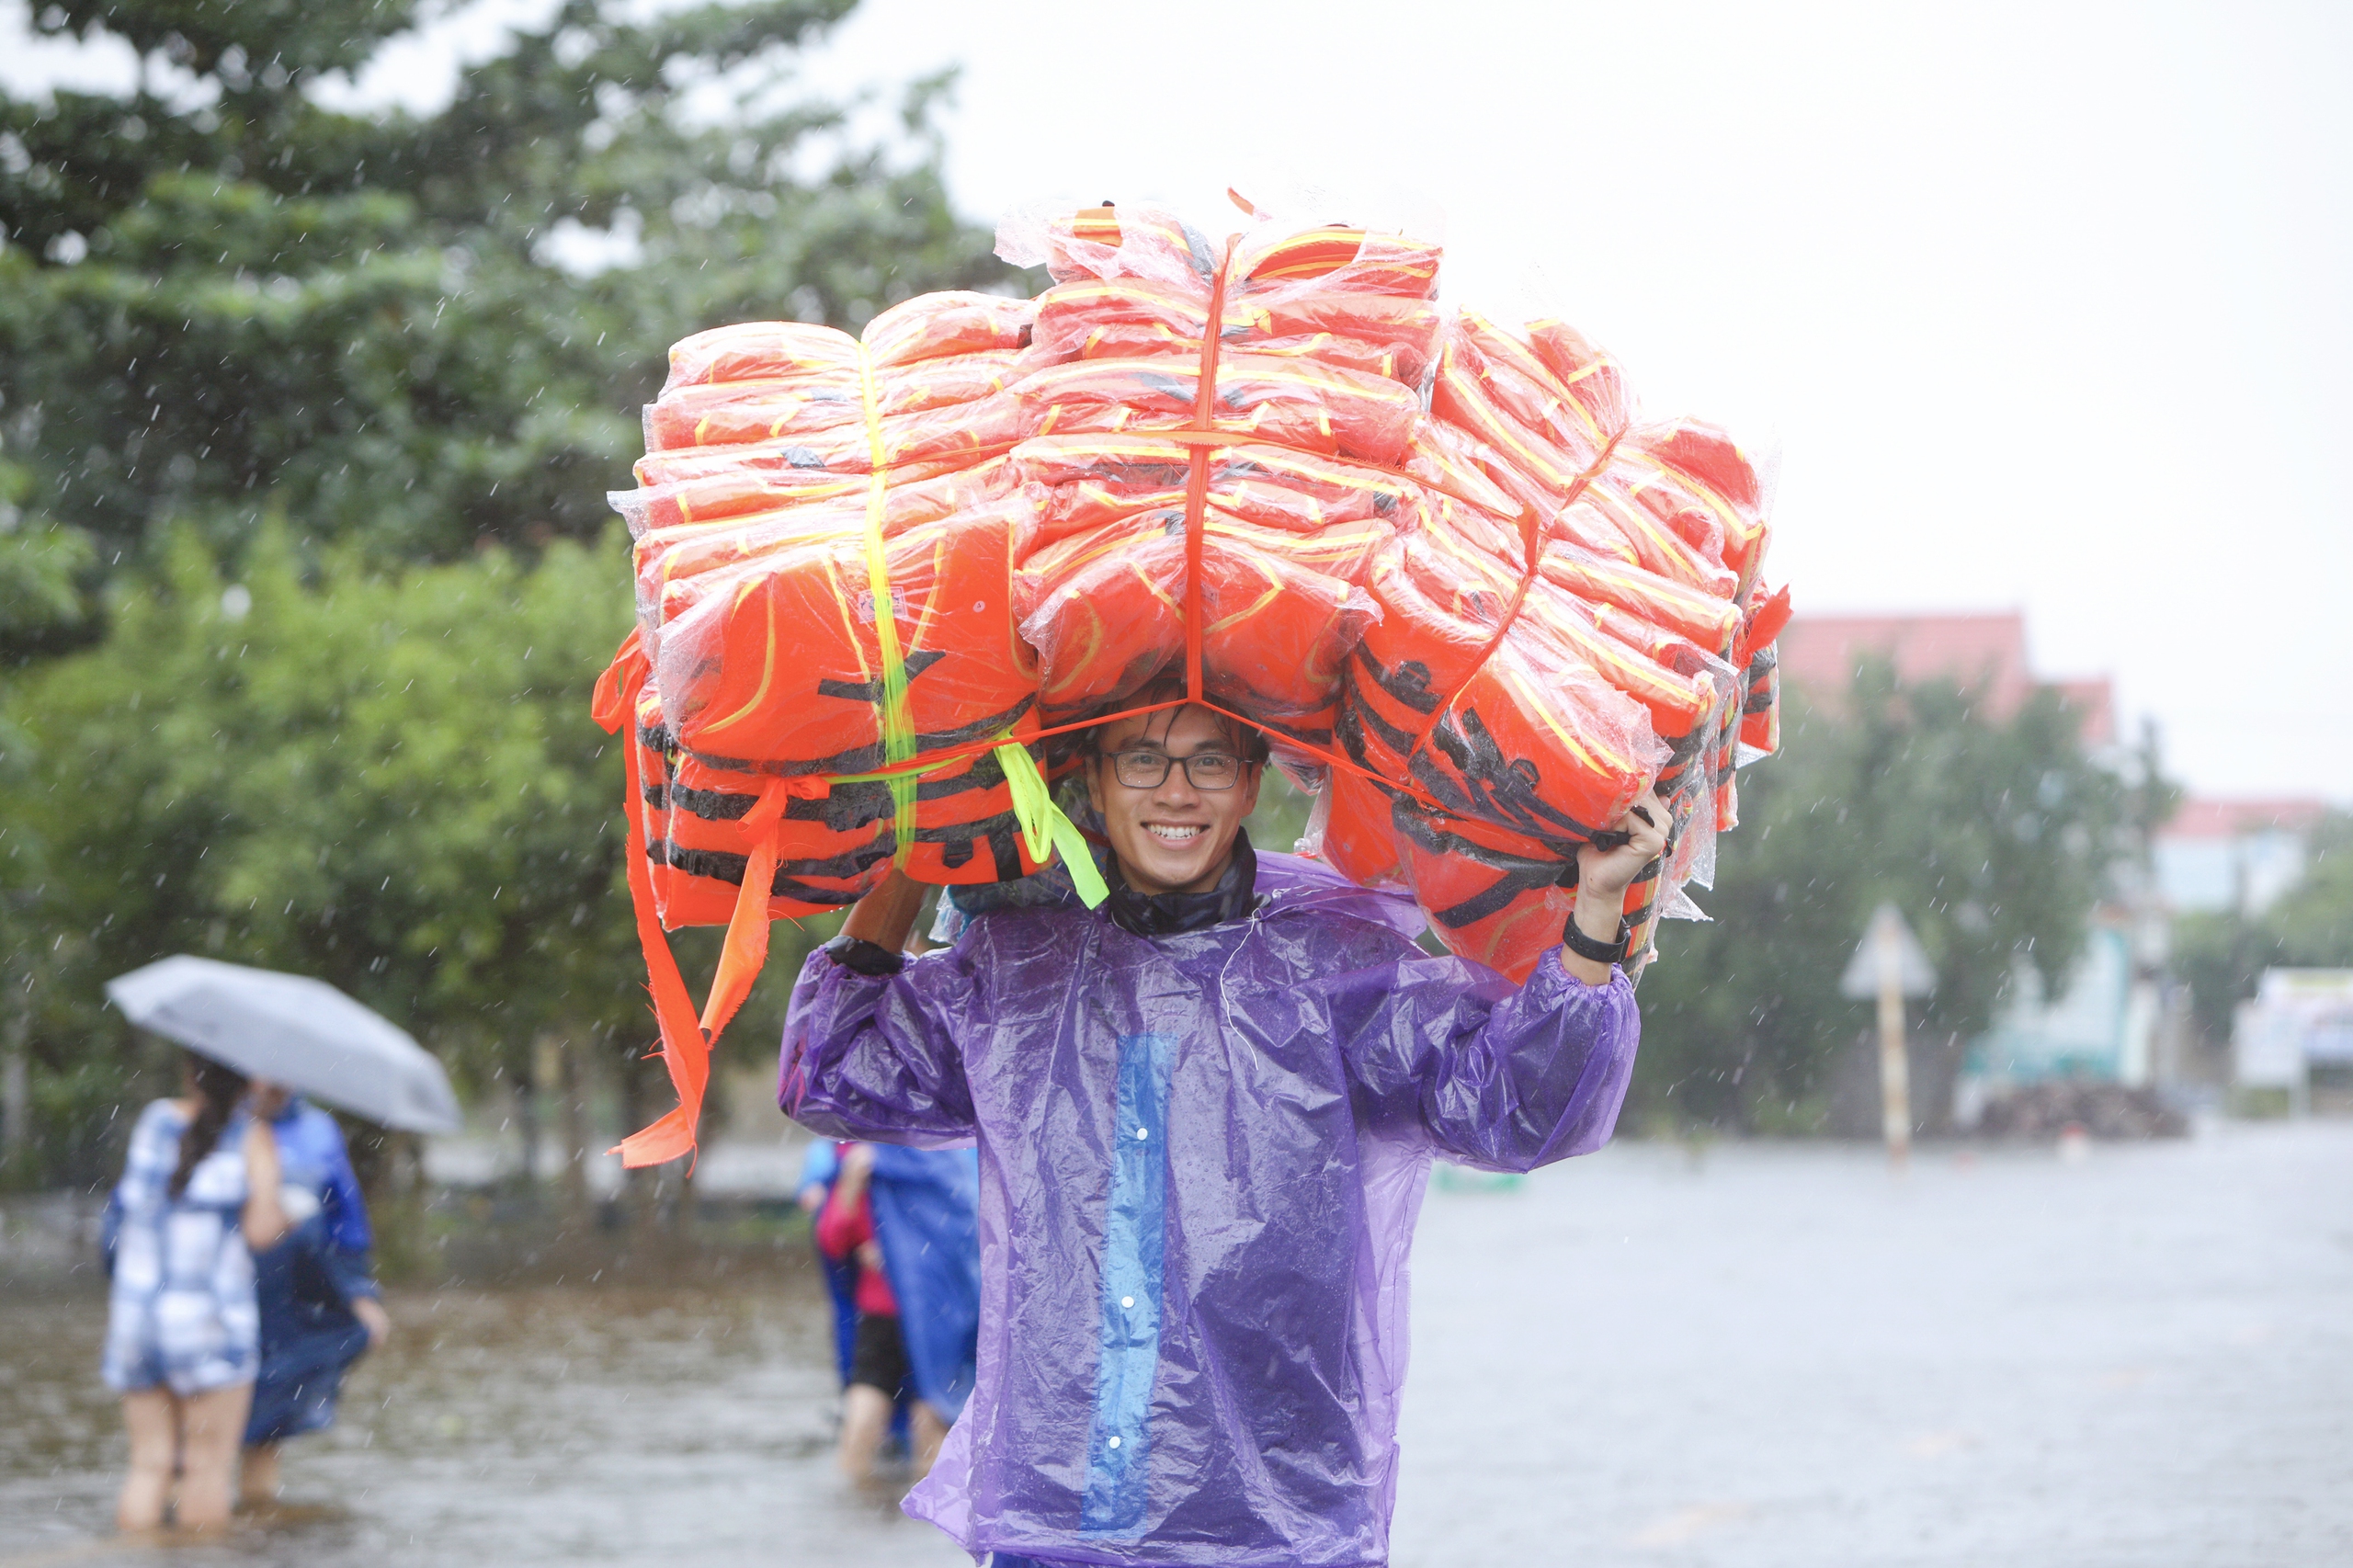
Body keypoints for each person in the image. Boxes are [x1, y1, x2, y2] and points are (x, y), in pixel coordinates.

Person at [779, 685, 1665, 1566]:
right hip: (1056, 1525)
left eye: (1209, 761)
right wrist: (925, 839)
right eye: (1142, 759)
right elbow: (832, 1070)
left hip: (1280, 1530)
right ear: (1090, 778)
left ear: (1250, 784)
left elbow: (1519, 1108)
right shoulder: (1016, 968)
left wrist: (1593, 920)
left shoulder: (1333, 966)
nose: (1177, 792)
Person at [102, 1052, 290, 1533]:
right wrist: (288, 1207)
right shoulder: (251, 1137)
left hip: (137, 1319)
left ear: (191, 1074)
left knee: (150, 1464)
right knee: (207, 1469)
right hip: (209, 1323)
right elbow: (261, 1231)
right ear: (246, 1082)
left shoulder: (154, 1121)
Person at [237, 1083, 393, 1511]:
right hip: (222, 1291)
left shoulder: (318, 1130)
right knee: (190, 1441)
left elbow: (344, 1223)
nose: (270, 1083)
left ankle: (254, 1528)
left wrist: (359, 1292)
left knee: (266, 1431)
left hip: (289, 1297)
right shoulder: (219, 1125)